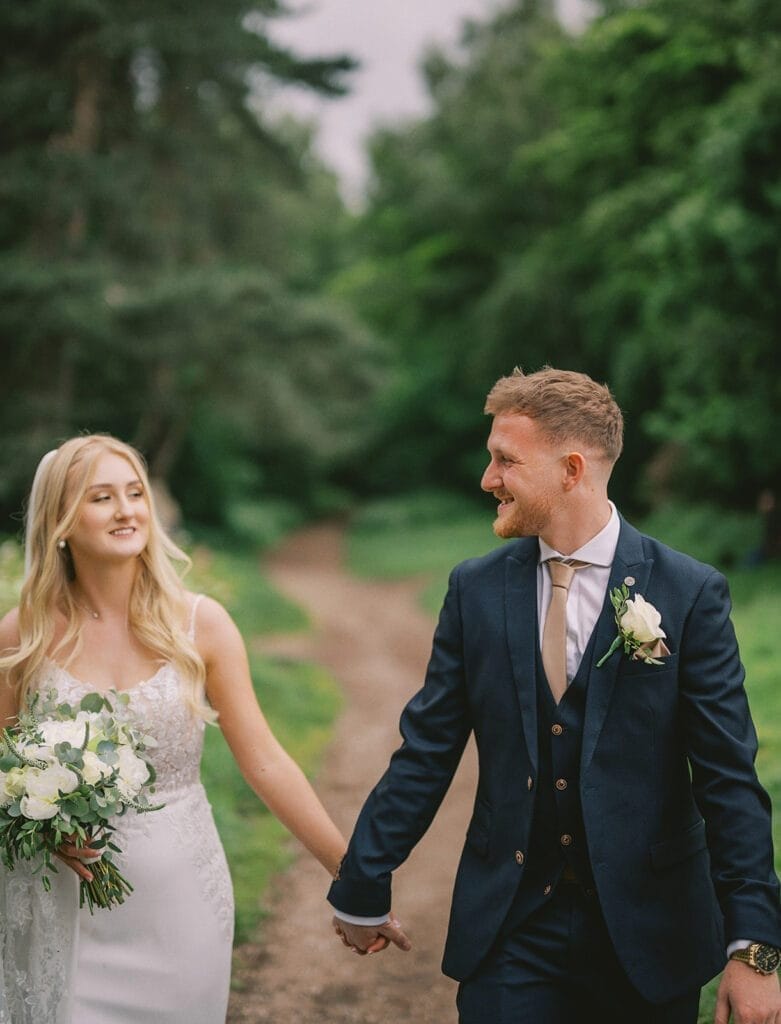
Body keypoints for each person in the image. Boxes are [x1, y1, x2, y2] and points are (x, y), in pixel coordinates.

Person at [328, 368, 781, 1023]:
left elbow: (727, 779)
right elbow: (425, 751)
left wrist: (755, 947)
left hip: (648, 938)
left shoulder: (688, 594)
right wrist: (361, 881)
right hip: (511, 929)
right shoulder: (475, 592)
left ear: (570, 470)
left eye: (504, 460)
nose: (487, 479)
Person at [0, 434, 347, 1024]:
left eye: (135, 493)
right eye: (101, 497)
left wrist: (350, 872)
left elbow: (264, 760)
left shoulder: (201, 624)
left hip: (179, 906)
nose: (127, 509)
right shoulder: (23, 634)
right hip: (60, 906)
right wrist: (42, 826)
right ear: (61, 521)